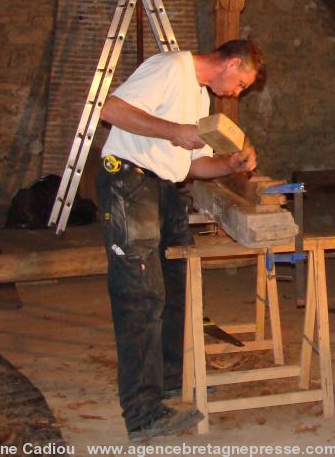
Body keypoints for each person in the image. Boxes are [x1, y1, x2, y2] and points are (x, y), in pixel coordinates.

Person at [96, 39, 264, 440]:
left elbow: (190, 165)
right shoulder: (172, 67)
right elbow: (111, 110)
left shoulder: (199, 97)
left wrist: (229, 164)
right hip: (128, 180)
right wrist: (175, 131)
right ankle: (142, 415)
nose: (237, 93)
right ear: (232, 62)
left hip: (164, 188)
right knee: (140, 295)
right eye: (241, 83)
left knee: (173, 287)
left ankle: (170, 382)